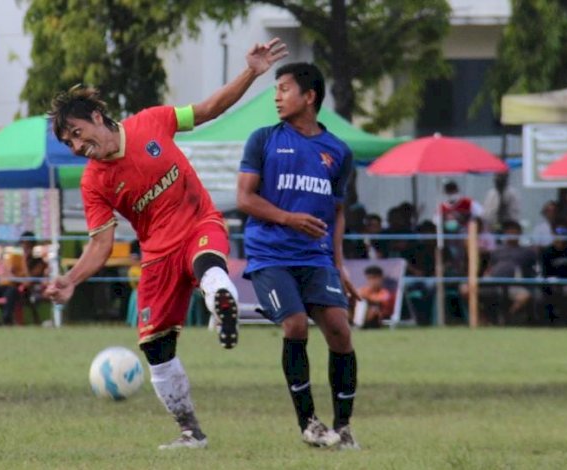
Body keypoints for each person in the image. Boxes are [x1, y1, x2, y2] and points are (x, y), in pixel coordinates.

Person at [43, 38, 288, 450]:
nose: (76, 146)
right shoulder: (93, 182)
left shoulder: (152, 122)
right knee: (155, 346)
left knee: (207, 264)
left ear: (97, 117)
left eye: (77, 133)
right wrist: (71, 279)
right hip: (157, 254)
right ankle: (191, 431)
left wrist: (251, 71)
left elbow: (209, 110)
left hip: (198, 223)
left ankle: (221, 300)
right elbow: (101, 246)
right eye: (68, 142)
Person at [236, 62, 360, 450]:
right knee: (295, 326)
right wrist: (288, 218)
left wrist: (338, 265)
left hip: (316, 258)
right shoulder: (262, 139)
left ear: (310, 97)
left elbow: (337, 212)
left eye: (284, 89)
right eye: (275, 90)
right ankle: (308, 423)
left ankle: (343, 428)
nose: (276, 96)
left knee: (340, 331)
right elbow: (245, 198)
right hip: (270, 254)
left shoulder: (338, 151)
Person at [461, 221, 536, 325]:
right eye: (509, 231)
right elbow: (488, 267)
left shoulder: (527, 251)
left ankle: (507, 319)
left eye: (514, 230)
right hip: (493, 284)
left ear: (519, 233)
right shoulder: (496, 250)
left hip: (513, 286)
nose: (511, 233)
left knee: (524, 296)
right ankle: (483, 318)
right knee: (465, 289)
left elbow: (533, 271)